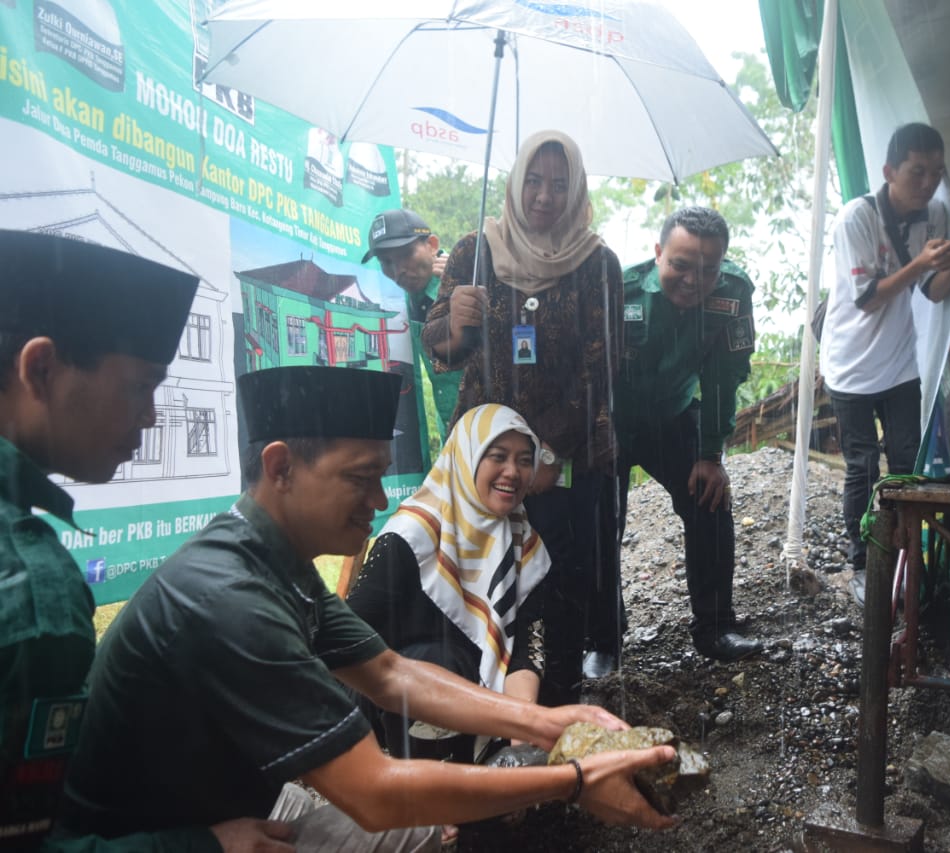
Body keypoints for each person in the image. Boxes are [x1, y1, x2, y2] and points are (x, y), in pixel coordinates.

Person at [58, 365, 676, 847]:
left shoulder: (273, 561)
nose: (380, 500)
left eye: (382, 476)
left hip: (236, 814)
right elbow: (376, 793)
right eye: (360, 478)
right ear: (280, 467)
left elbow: (388, 672)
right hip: (153, 840)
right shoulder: (232, 599)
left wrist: (551, 723)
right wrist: (572, 781)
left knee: (422, 831)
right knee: (410, 824)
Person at [0, 230, 288, 851]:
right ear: (41, 369)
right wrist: (203, 847)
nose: (153, 416)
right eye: (139, 387)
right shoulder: (31, 593)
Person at [424, 130, 623, 706]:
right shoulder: (474, 252)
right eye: (533, 181)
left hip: (568, 456)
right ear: (515, 182)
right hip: (482, 454)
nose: (543, 196)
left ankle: (556, 707)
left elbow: (600, 372)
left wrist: (547, 456)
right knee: (475, 569)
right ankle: (477, 700)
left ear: (576, 190)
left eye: (559, 185)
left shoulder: (596, 264)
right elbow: (441, 353)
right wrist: (455, 322)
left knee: (559, 579)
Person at [587, 207, 764, 674]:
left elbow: (726, 375)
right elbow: (588, 373)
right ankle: (604, 639)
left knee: (710, 503)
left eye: (708, 268)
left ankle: (715, 626)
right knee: (600, 523)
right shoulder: (618, 289)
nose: (693, 279)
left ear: (723, 264)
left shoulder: (734, 293)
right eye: (680, 265)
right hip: (610, 422)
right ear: (658, 252)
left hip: (674, 413)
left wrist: (711, 454)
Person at [347, 403, 549, 764]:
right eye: (498, 456)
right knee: (436, 660)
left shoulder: (524, 542)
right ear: (465, 458)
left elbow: (525, 651)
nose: (512, 472)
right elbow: (349, 640)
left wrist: (525, 733)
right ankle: (427, 796)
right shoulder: (411, 536)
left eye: (524, 460)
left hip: (478, 702)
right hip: (396, 703)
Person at [819, 123, 950, 572]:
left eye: (936, 173)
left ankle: (908, 557)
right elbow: (868, 298)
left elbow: (931, 291)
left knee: (907, 463)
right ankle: (862, 562)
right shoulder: (858, 217)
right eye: (916, 172)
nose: (928, 183)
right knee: (863, 465)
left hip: (901, 365)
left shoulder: (934, 215)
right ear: (889, 171)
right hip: (850, 366)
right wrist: (921, 262)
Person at [363, 208, 459, 454]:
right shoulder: (403, 300)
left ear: (432, 245)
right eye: (386, 263)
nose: (397, 272)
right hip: (453, 436)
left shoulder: (465, 278)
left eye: (406, 254)